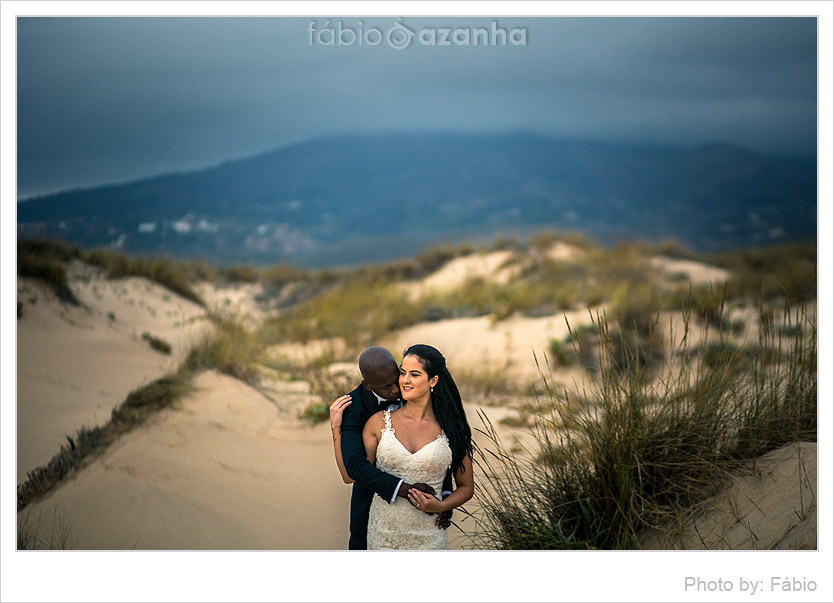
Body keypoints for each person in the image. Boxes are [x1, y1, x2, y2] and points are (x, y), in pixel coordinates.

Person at [329, 346, 452, 550]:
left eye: (397, 378)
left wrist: (445, 496)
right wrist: (406, 490)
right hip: (371, 517)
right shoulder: (353, 408)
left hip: (425, 523)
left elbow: (437, 447)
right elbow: (354, 468)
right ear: (368, 385)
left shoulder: (412, 390)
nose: (397, 389)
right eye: (387, 387)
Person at [363, 344, 473, 549]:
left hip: (429, 537)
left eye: (414, 374)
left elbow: (466, 487)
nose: (405, 380)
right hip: (383, 536)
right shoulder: (378, 423)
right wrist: (335, 427)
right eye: (402, 372)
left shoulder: (451, 429)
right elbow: (359, 473)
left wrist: (442, 505)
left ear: (433, 380)